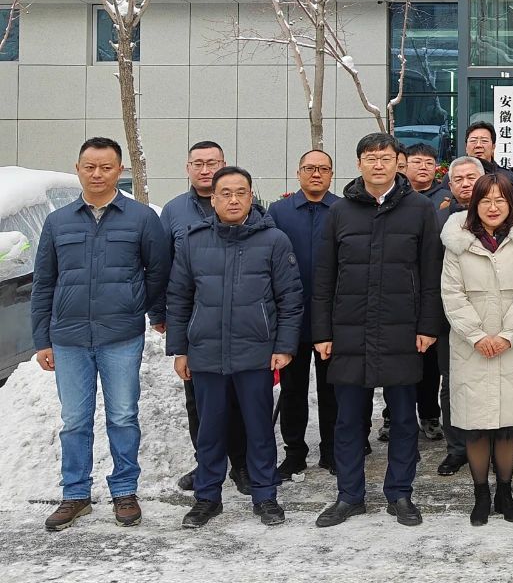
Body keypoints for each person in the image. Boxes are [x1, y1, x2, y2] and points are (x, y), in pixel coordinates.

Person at [32, 137, 170, 532]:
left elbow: (158, 271)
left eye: (106, 167)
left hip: (121, 335)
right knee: (74, 420)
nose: (97, 174)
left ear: (119, 170)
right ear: (78, 169)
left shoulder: (142, 218)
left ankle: (124, 490)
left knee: (123, 416)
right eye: (90, 167)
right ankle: (75, 494)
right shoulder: (58, 222)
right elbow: (44, 282)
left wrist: (147, 310)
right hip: (69, 338)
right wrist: (42, 339)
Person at [311, 132, 445, 529]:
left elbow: (431, 273)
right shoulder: (340, 211)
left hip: (402, 330)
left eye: (385, 157)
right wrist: (322, 331)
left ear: (397, 164)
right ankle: (349, 495)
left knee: (403, 419)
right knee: (348, 421)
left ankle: (399, 493)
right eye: (370, 157)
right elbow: (324, 276)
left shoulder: (420, 209)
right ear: (359, 164)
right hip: (349, 331)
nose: (378, 164)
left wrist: (428, 325)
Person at [166, 166, 304, 528]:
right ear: (213, 199)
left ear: (251, 196)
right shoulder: (194, 241)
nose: (233, 200)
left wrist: (284, 346)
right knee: (209, 431)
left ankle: (265, 496)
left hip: (255, 353)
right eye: (225, 193)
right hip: (206, 353)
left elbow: (291, 298)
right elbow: (179, 298)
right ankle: (207, 498)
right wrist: (180, 349)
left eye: (240, 192)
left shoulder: (274, 240)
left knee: (259, 430)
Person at [440, 173, 513, 526]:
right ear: (474, 204)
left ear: (510, 204)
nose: (493, 207)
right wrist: (477, 335)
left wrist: (508, 335)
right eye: (485, 200)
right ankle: (481, 493)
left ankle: (505, 491)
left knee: (508, 425)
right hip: (471, 346)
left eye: (500, 200)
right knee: (476, 425)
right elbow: (451, 293)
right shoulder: (458, 243)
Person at [160, 141, 248, 494]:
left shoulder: (245, 205)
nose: (205, 169)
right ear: (188, 168)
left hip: (240, 322)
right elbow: (163, 266)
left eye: (213, 162)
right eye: (198, 163)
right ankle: (207, 464)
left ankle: (241, 465)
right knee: (198, 400)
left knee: (238, 399)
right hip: (197, 323)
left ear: (224, 164)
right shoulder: (173, 211)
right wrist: (161, 315)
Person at [268, 150, 340, 477]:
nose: (316, 174)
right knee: (293, 390)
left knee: (332, 389)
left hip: (332, 317)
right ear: (298, 173)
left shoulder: (342, 209)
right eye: (309, 168)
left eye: (323, 169)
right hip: (291, 316)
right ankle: (294, 452)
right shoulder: (279, 211)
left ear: (331, 174)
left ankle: (332, 451)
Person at [376, 143, 445, 445]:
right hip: (395, 293)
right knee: (394, 361)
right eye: (416, 162)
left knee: (429, 362)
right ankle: (392, 416)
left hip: (430, 288)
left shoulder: (445, 197)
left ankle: (429, 415)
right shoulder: (392, 198)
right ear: (403, 165)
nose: (423, 167)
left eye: (429, 162)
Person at [432, 155, 485, 474]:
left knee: (489, 383)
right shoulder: (437, 220)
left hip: (491, 316)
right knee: (452, 384)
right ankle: (457, 448)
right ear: (450, 186)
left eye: (471, 178)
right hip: (449, 318)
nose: (466, 184)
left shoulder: (499, 216)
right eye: (459, 180)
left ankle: (487, 445)